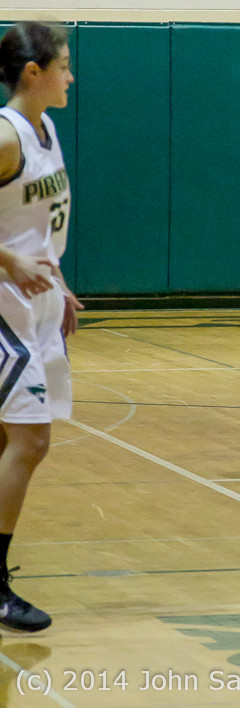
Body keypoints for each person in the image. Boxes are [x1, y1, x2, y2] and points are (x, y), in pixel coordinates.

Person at [0, 21, 81, 632]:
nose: (70, 76)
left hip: (36, 303)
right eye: (64, 64)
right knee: (30, 442)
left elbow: (34, 224)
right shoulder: (7, 135)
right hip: (5, 308)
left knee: (9, 442)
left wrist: (55, 280)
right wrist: (11, 262)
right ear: (34, 72)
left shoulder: (45, 129)